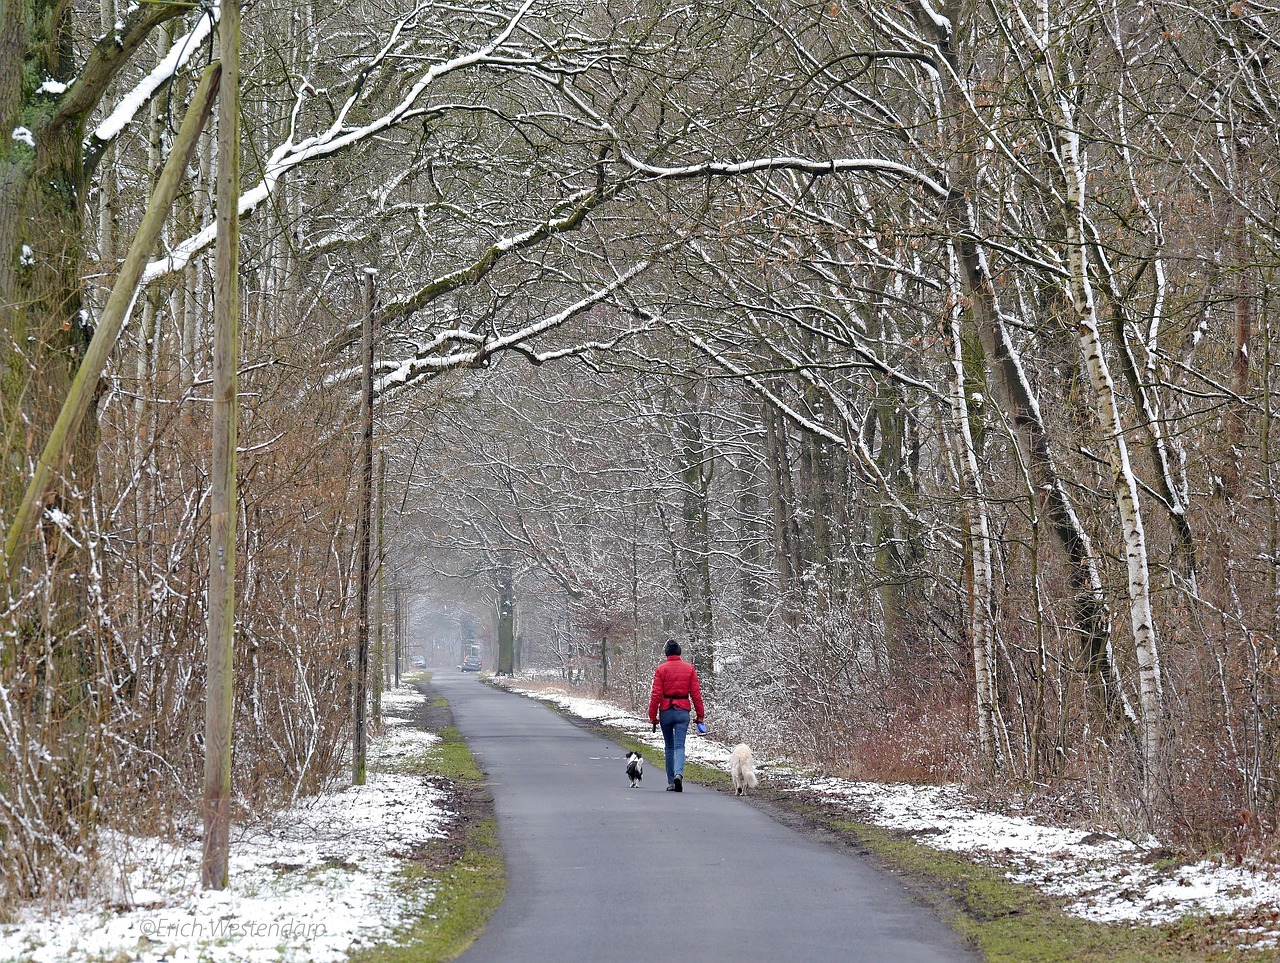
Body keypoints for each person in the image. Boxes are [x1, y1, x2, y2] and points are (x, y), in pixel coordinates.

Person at [647, 639, 705, 792]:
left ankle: (671, 781)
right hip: (682, 710)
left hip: (666, 710)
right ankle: (679, 774)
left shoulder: (661, 669)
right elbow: (696, 694)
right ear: (679, 652)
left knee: (669, 747)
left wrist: (652, 715)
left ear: (666, 653)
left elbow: (656, 694)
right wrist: (700, 716)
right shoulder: (689, 669)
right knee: (680, 746)